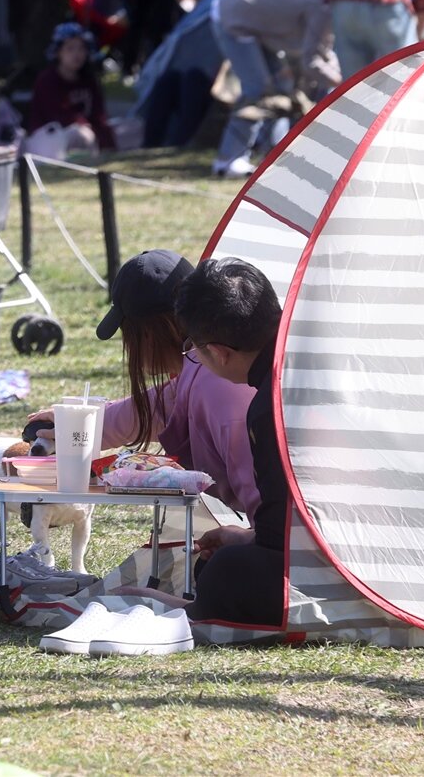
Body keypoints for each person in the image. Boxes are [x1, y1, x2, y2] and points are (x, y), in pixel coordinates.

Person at [24, 251, 259, 518]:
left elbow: (264, 494)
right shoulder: (200, 369)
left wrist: (249, 538)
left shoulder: (215, 384)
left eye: (127, 334)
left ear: (148, 333)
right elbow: (149, 411)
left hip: (280, 536)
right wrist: (78, 424)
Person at [116, 258, 286, 626]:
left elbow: (284, 535)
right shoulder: (296, 365)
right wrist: (246, 537)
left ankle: (184, 608)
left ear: (220, 352)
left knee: (225, 570)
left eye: (195, 347)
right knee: (222, 561)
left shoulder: (255, 405)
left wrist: (250, 542)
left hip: (329, 568)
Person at [209, 0, 340, 178]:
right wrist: (343, 81)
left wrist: (338, 76)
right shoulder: (322, 6)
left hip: (256, 27)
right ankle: (228, 161)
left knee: (282, 89)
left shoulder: (325, 3)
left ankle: (274, 155)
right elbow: (312, 61)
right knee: (257, 90)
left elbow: (322, 51)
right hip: (233, 19)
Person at [24, 22, 116, 155]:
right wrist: (85, 126)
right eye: (70, 48)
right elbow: (58, 116)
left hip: (87, 132)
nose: (77, 54)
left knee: (130, 128)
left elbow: (99, 115)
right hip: (50, 139)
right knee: (82, 135)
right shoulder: (47, 80)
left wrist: (108, 142)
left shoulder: (89, 80)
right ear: (58, 52)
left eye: (81, 48)